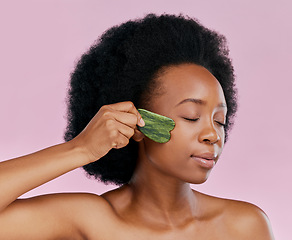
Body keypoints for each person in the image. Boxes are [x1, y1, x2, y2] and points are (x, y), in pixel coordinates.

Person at [0, 13, 274, 239]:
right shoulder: (91, 222)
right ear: (139, 121)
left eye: (220, 121)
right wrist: (80, 149)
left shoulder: (245, 226)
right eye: (191, 116)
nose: (212, 135)